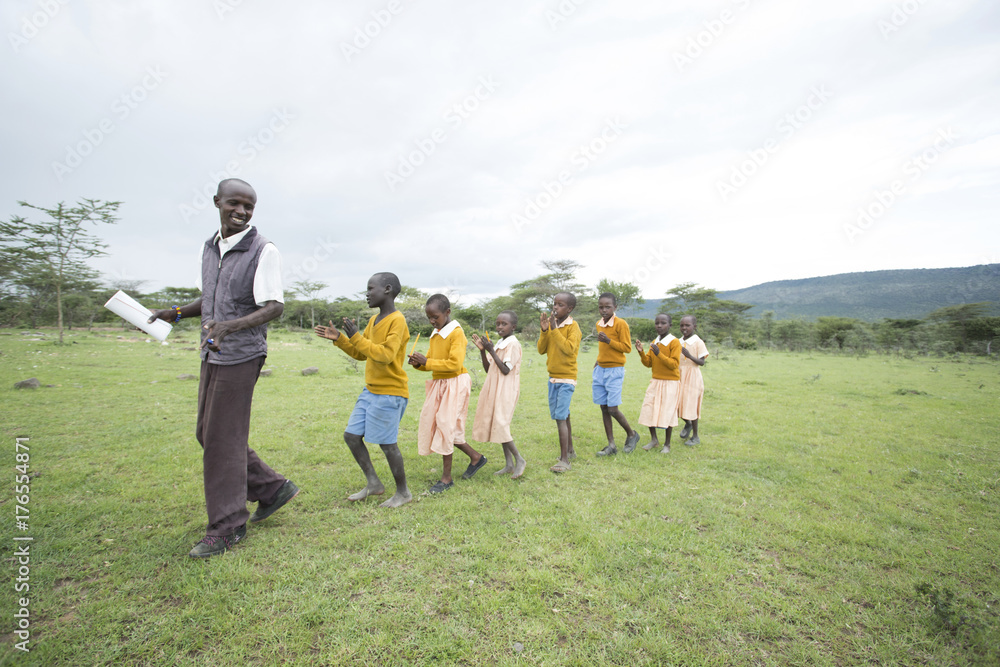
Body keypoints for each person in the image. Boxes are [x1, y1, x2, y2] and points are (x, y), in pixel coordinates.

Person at [149, 178, 298, 558]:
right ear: (217, 202)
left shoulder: (263, 250)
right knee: (207, 432)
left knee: (221, 440)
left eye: (249, 206)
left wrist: (230, 326)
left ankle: (229, 525)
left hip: (242, 354)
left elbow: (274, 306)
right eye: (234, 203)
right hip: (211, 351)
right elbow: (214, 297)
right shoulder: (211, 246)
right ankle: (271, 488)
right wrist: (177, 313)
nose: (242, 212)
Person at [314, 272, 411, 508]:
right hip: (371, 391)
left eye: (371, 288)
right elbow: (360, 352)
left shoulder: (397, 320)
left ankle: (403, 492)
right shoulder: (373, 321)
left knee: (388, 445)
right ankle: (374, 483)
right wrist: (341, 339)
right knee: (351, 436)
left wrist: (355, 336)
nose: (367, 293)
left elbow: (386, 355)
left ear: (387, 289)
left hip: (390, 391)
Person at [408, 294, 487, 493]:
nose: (432, 321)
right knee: (441, 424)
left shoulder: (456, 333)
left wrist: (427, 362)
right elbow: (433, 363)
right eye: (429, 318)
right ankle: (476, 458)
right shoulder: (436, 333)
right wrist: (419, 363)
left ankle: (446, 479)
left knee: (446, 424)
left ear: (447, 312)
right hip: (440, 382)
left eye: (435, 317)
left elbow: (453, 364)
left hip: (456, 381)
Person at [471, 310, 525, 479]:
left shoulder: (513, 344)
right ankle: (509, 464)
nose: (500, 327)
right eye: (498, 324)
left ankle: (519, 460)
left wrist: (491, 350)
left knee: (501, 424)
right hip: (494, 388)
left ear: (513, 326)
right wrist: (483, 351)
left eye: (504, 324)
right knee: (497, 422)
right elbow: (490, 369)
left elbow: (506, 369)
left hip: (506, 389)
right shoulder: (501, 343)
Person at [537, 292, 582, 473]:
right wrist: (545, 330)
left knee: (560, 417)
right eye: (554, 303)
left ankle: (564, 460)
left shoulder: (574, 327)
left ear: (569, 309)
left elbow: (569, 350)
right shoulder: (551, 325)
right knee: (563, 415)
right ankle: (570, 451)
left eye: (560, 304)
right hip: (553, 377)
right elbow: (541, 349)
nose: (555, 307)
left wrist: (554, 329)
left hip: (566, 379)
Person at [593, 293, 640, 456]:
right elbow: (603, 349)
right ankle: (611, 445)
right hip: (600, 369)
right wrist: (598, 361)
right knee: (604, 407)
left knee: (613, 409)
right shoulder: (599, 324)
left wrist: (609, 341)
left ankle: (632, 434)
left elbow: (627, 347)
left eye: (608, 307)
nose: (604, 310)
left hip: (615, 370)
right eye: (601, 307)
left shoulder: (621, 324)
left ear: (615, 308)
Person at [636, 313, 682, 453]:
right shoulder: (655, 342)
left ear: (670, 325)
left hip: (670, 382)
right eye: (657, 323)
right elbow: (648, 363)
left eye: (663, 323)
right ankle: (654, 440)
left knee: (667, 411)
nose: (659, 326)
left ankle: (667, 444)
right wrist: (641, 353)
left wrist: (659, 354)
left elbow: (674, 364)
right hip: (656, 381)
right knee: (649, 408)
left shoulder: (674, 342)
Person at [678, 315, 709, 446]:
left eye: (688, 325)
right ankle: (688, 424)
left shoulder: (698, 342)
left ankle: (695, 437)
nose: (684, 328)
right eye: (682, 325)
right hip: (679, 375)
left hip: (692, 377)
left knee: (691, 405)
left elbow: (701, 362)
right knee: (678, 404)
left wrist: (689, 356)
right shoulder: (678, 342)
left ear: (694, 327)